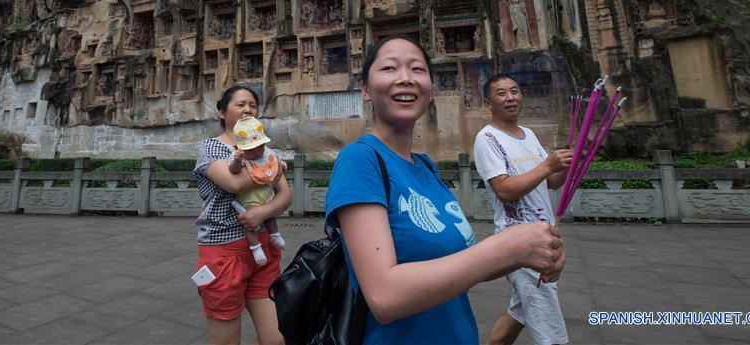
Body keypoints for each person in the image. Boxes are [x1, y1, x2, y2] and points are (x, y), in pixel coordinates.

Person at [325, 36, 566, 345]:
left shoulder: (425, 166)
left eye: (417, 68)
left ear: (430, 87)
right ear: (366, 89)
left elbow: (461, 263)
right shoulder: (360, 160)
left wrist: (527, 252)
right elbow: (384, 296)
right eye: (389, 68)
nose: (405, 78)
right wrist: (505, 248)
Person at [473, 74, 573, 345]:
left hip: (544, 235)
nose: (511, 98)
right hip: (521, 242)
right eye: (502, 93)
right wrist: (547, 165)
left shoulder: (528, 134)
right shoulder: (488, 138)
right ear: (488, 103)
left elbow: (551, 182)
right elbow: (504, 190)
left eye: (515, 91)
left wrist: (567, 165)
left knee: (519, 312)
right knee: (549, 328)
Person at [193, 85, 292, 345]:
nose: (248, 109)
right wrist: (272, 167)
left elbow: (285, 196)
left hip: (263, 251)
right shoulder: (212, 148)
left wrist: (263, 212)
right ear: (223, 112)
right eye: (240, 104)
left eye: (253, 105)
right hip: (224, 252)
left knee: (277, 338)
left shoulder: (266, 149)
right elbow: (233, 183)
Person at [227, 116, 286, 266]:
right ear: (239, 148)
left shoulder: (267, 153)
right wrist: (237, 160)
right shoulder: (240, 157)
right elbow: (232, 170)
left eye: (259, 147)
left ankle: (275, 234)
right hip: (251, 198)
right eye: (250, 149)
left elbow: (275, 163)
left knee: (270, 215)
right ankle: (255, 247)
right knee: (251, 222)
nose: (256, 152)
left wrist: (281, 164)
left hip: (267, 193)